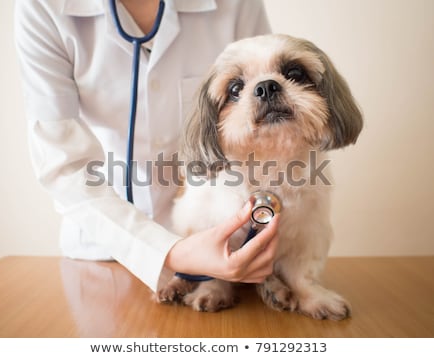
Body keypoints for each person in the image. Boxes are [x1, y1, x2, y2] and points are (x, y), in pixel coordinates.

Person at [14, 0, 279, 292]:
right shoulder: (43, 6)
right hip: (102, 253)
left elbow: (268, 126)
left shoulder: (238, 5)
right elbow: (64, 166)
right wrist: (171, 252)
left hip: (224, 251)